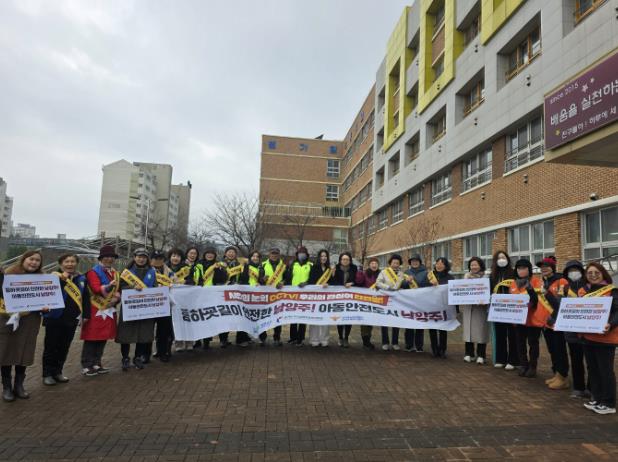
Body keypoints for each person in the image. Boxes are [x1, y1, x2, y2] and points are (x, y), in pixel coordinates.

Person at [1, 251, 44, 402]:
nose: (34, 262)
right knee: (6, 351)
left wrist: (46, 307)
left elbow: (46, 298)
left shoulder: (42, 279)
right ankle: (7, 387)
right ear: (23, 259)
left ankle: (19, 385)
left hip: (30, 321)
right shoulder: (8, 274)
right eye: (31, 259)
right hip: (7, 319)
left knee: (24, 351)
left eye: (37, 260)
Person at [42, 254, 90, 386]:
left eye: (73, 261)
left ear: (76, 263)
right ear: (60, 264)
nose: (70, 264)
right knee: (51, 347)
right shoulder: (53, 277)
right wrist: (63, 279)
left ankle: (58, 372)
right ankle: (47, 374)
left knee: (64, 347)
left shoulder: (81, 278)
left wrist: (86, 315)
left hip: (71, 318)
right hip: (54, 317)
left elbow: (86, 297)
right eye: (66, 261)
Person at [579, 262, 617, 415]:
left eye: (596, 272)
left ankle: (608, 403)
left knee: (605, 371)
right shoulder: (585, 291)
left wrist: (611, 324)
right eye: (590, 273)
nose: (593, 275)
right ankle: (597, 398)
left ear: (603, 274)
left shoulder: (612, 291)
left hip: (605, 338)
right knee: (593, 369)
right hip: (588, 337)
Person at [81, 245, 120, 377]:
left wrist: (116, 299)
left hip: (108, 308)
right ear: (101, 258)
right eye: (106, 257)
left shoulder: (115, 273)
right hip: (95, 308)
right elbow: (96, 288)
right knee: (91, 337)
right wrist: (109, 287)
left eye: (112, 257)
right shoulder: (93, 272)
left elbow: (118, 290)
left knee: (103, 337)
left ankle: (97, 363)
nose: (109, 259)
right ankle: (87, 365)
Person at [116, 248, 157, 371]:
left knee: (143, 334)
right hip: (130, 307)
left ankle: (137, 357)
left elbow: (155, 286)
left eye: (144, 257)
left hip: (145, 308)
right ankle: (125, 358)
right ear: (134, 257)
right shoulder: (126, 272)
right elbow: (120, 287)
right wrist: (132, 287)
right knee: (126, 334)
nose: (141, 259)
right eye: (139, 256)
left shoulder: (152, 272)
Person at [537, 257, 571, 390]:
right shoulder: (544, 282)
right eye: (542, 266)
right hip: (547, 323)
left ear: (553, 267)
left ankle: (563, 377)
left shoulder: (561, 281)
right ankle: (557, 374)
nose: (544, 268)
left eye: (547, 266)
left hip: (557, 323)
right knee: (552, 350)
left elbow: (561, 304)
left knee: (560, 350)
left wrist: (548, 294)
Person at [511, 259, 543, 378]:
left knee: (533, 343)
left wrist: (530, 291)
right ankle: (523, 365)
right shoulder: (513, 284)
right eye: (519, 268)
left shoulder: (536, 282)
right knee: (520, 344)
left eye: (524, 268)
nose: (521, 271)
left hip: (533, 319)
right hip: (519, 320)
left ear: (529, 269)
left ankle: (532, 367)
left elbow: (538, 300)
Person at [563, 260, 589, 398]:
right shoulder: (565, 288)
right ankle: (579, 388)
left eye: (576, 270)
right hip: (571, 331)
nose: (573, 273)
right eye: (570, 270)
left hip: (588, 331)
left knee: (591, 362)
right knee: (576, 360)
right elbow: (559, 305)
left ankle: (592, 388)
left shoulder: (589, 286)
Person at [490, 251, 519, 371]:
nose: (501, 260)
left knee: (512, 334)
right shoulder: (492, 275)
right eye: (499, 258)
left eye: (503, 257)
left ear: (507, 259)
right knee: (500, 334)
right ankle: (500, 359)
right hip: (497, 309)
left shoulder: (513, 273)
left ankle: (513, 360)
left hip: (510, 308)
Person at [375, 254, 411, 351]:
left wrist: (408, 282)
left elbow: (404, 285)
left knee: (396, 320)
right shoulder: (384, 272)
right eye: (394, 262)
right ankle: (385, 342)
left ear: (399, 264)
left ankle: (395, 342)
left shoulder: (402, 274)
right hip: (385, 298)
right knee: (384, 321)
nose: (395, 264)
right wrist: (387, 287)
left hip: (397, 300)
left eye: (397, 263)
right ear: (390, 263)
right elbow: (378, 282)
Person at [194, 247, 227, 350]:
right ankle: (197, 340)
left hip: (212, 295)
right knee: (199, 318)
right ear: (204, 254)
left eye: (212, 253)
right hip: (199, 294)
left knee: (210, 318)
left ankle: (207, 341)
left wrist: (218, 270)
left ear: (215, 255)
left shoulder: (218, 265)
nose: (210, 255)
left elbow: (222, 279)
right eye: (208, 253)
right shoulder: (198, 264)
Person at [461, 257, 490, 364]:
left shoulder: (486, 277)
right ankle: (469, 354)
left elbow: (488, 292)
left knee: (481, 331)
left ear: (480, 266)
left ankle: (481, 355)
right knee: (468, 331)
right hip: (469, 307)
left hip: (480, 308)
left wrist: (485, 299)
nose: (473, 267)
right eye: (472, 265)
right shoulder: (466, 277)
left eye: (476, 265)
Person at [150, 250, 176, 362]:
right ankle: (146, 354)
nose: (158, 260)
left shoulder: (169, 272)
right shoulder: (148, 270)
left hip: (165, 305)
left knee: (163, 330)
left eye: (160, 258)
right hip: (150, 304)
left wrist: (172, 285)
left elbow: (176, 283)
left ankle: (163, 351)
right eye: (155, 258)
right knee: (148, 330)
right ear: (151, 259)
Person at [222, 246, 250, 348]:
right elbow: (217, 278)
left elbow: (246, 277)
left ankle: (241, 339)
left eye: (233, 252)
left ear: (236, 254)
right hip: (225, 294)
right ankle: (223, 339)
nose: (231, 254)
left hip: (238, 294)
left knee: (241, 316)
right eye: (229, 252)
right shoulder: (220, 264)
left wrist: (245, 267)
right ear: (225, 253)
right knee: (225, 317)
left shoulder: (241, 264)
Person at [284, 246, 312, 346]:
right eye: (300, 253)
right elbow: (287, 277)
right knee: (293, 317)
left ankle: (300, 339)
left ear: (307, 255)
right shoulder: (292, 264)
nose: (301, 255)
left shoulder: (310, 265)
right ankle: (293, 338)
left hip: (305, 295)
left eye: (303, 253)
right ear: (297, 254)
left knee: (302, 317)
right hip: (293, 295)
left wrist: (306, 283)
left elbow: (313, 279)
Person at [427, 257, 453, 358]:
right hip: (431, 305)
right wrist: (430, 284)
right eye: (437, 263)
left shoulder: (450, 277)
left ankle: (442, 349)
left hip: (444, 306)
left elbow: (452, 291)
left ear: (445, 266)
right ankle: (434, 349)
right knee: (432, 328)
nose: (439, 265)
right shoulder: (429, 276)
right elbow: (423, 289)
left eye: (441, 264)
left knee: (443, 328)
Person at [259, 248, 286, 346]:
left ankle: (277, 338)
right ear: (269, 254)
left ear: (279, 255)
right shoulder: (263, 264)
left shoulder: (283, 266)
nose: (274, 255)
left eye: (276, 254)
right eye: (272, 253)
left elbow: (287, 277)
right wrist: (263, 279)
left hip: (278, 295)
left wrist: (283, 282)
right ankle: (262, 338)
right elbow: (259, 280)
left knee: (278, 317)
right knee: (264, 317)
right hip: (265, 295)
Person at [332, 252, 359, 348]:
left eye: (347, 259)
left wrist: (352, 283)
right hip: (339, 296)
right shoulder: (336, 268)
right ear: (340, 260)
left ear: (350, 260)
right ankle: (340, 337)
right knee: (339, 317)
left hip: (350, 297)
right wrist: (333, 275)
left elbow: (357, 280)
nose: (345, 261)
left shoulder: (354, 268)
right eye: (343, 259)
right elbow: (333, 282)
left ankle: (346, 338)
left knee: (348, 317)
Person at [404, 254, 428, 352]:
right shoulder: (406, 272)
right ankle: (409, 345)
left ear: (419, 262)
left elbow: (428, 285)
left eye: (416, 261)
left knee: (419, 323)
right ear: (410, 262)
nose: (414, 262)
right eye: (412, 261)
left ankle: (419, 346)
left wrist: (415, 281)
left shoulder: (426, 272)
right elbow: (402, 285)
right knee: (409, 323)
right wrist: (407, 282)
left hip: (421, 301)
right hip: (409, 301)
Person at [355, 257, 380, 349]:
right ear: (369, 265)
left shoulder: (381, 274)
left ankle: (368, 340)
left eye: (376, 263)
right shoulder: (365, 273)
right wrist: (360, 272)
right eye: (372, 263)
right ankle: (365, 341)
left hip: (377, 301)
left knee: (371, 321)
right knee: (365, 321)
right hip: (365, 301)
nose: (374, 265)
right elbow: (359, 282)